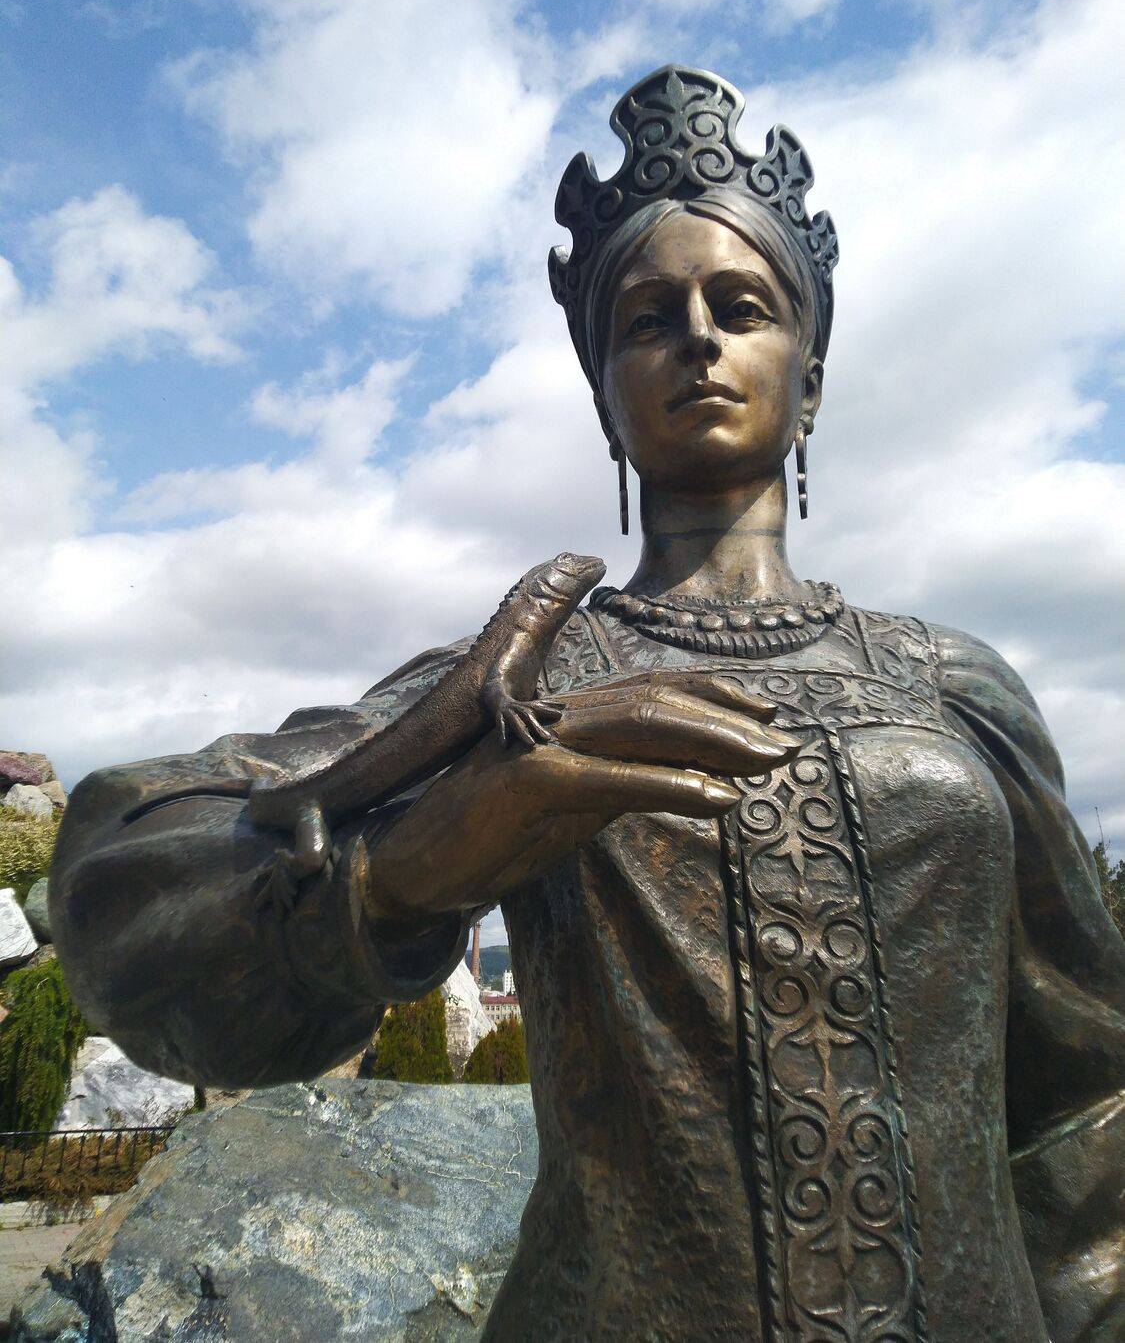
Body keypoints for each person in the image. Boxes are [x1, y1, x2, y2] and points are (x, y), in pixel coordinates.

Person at [51, 66, 1123, 1342]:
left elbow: (1084, 1099)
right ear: (606, 398)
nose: (699, 338)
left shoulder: (954, 687)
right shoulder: (530, 675)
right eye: (646, 319)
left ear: (812, 379)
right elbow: (120, 889)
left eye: (743, 307)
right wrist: (405, 869)